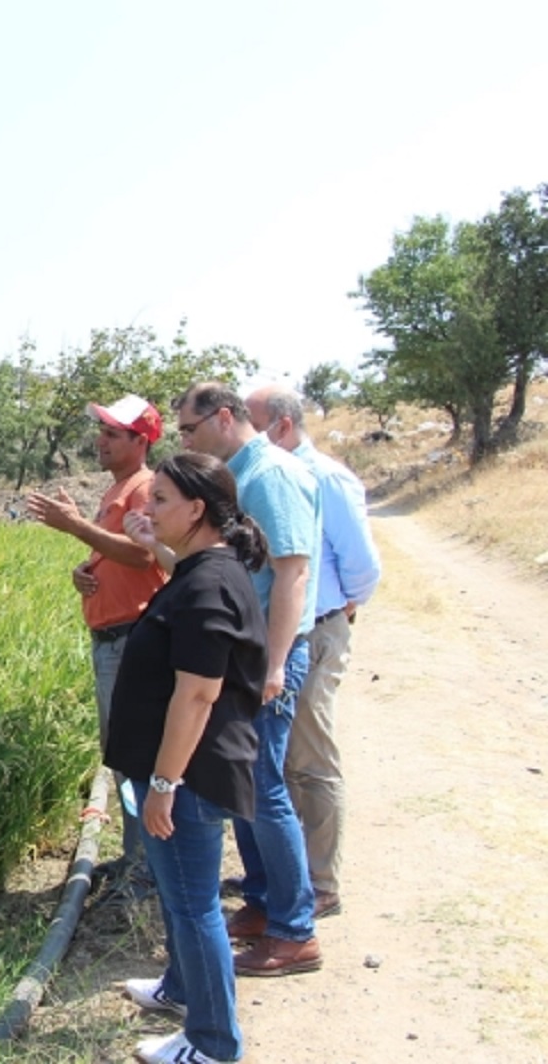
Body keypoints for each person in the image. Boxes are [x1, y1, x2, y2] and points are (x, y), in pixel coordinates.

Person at [109, 452, 269, 1064]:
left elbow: (198, 693)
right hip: (180, 771)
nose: (148, 507)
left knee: (195, 905)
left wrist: (165, 783)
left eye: (162, 500)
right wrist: (156, 544)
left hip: (190, 777)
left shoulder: (207, 586)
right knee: (182, 896)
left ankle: (212, 1044)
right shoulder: (205, 568)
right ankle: (180, 989)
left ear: (198, 510)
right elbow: (188, 571)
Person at [172, 381, 323, 978]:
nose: (186, 441)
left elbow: (291, 576)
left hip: (267, 659)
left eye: (189, 430)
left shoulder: (272, 476)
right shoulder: (243, 473)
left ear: (224, 417)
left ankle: (295, 931)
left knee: (263, 790)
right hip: (246, 656)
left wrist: (276, 663)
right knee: (244, 787)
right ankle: (263, 904)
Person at [246, 385, 381, 917]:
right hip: (299, 629)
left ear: (280, 426)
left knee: (310, 758)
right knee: (283, 762)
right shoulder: (272, 476)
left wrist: (341, 610)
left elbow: (363, 563)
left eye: (253, 425)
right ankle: (292, 872)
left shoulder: (323, 475)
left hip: (317, 630)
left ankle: (321, 883)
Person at [25, 394, 168, 897]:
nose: (100, 441)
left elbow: (144, 556)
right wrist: (87, 569)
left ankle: (147, 871)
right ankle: (137, 861)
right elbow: (119, 555)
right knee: (126, 756)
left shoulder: (145, 487)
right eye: (102, 431)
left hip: (130, 641)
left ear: (141, 440)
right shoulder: (119, 489)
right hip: (113, 639)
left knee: (137, 756)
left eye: (112, 433)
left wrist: (75, 526)